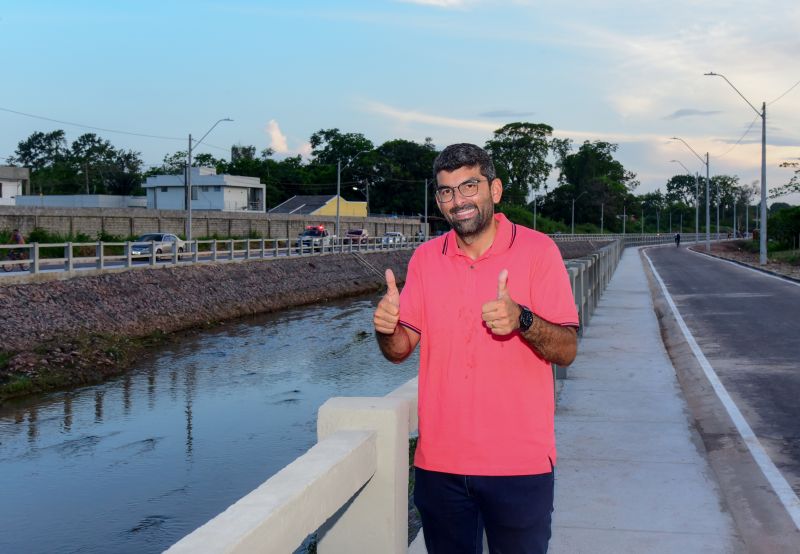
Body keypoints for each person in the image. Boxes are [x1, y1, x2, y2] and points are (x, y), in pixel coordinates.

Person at [373, 143, 579, 553]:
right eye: (446, 191)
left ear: (495, 190)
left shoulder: (539, 251)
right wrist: (385, 328)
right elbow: (399, 351)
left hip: (520, 465)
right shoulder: (426, 258)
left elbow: (567, 348)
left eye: (469, 186)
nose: (458, 200)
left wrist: (522, 319)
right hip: (440, 467)